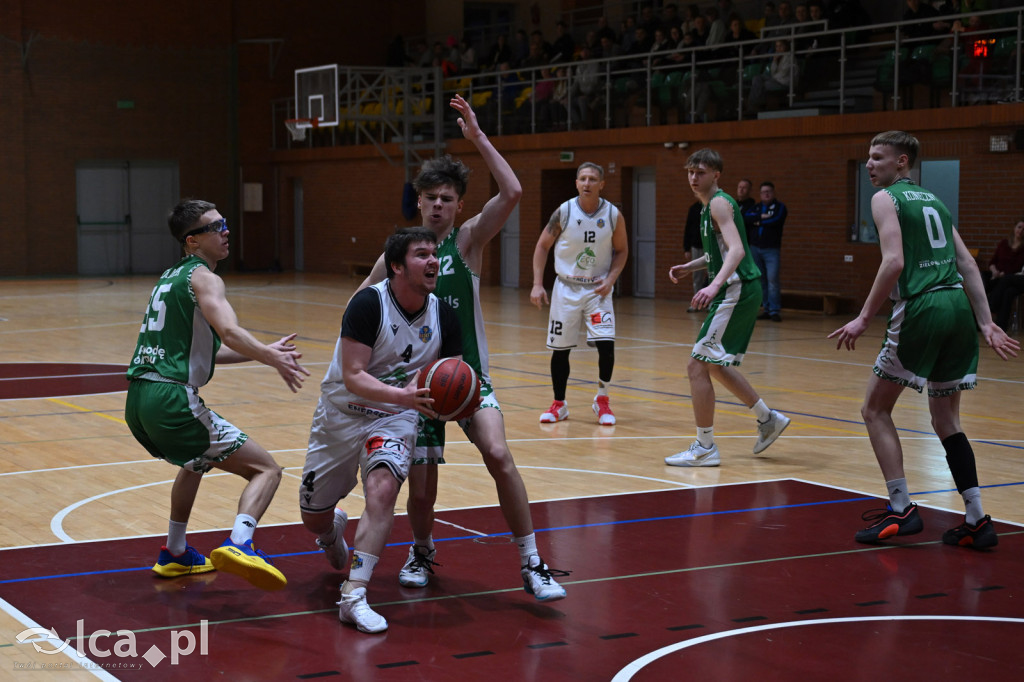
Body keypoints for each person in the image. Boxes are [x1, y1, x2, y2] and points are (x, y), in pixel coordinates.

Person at [358, 95, 568, 602]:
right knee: (423, 488)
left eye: (446, 198)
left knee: (498, 453)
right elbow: (362, 298)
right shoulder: (399, 254)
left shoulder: (468, 241)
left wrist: (477, 137)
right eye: (429, 196)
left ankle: (532, 562)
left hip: (468, 377)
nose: (437, 204)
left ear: (458, 205)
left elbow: (514, 190)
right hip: (419, 388)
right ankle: (422, 550)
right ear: (419, 200)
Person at [829, 130, 1019, 548]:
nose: (869, 165)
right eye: (867, 157)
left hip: (925, 308)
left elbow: (894, 261)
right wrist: (986, 322)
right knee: (946, 420)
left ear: (902, 162)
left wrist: (863, 317)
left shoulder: (885, 199)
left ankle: (901, 509)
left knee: (874, 410)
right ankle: (976, 518)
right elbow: (967, 262)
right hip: (957, 308)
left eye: (878, 157)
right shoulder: (933, 199)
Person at [126, 199, 309, 590]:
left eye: (225, 223)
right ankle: (241, 542)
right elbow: (228, 333)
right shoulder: (205, 278)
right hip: (172, 399)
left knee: (195, 461)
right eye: (216, 227)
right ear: (192, 241)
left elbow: (203, 350)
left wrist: (261, 356)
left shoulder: (170, 276)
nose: (226, 231)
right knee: (267, 470)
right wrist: (270, 356)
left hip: (140, 399)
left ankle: (175, 553)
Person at [300, 227, 462, 634]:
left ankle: (354, 595)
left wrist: (455, 397)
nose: (432, 261)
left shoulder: (445, 315)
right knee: (311, 516)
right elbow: (353, 376)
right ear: (396, 266)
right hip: (341, 412)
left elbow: (453, 376)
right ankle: (330, 530)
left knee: (383, 488)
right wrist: (404, 396)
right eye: (421, 254)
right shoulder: (367, 304)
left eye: (434, 254)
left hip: (393, 416)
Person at [665, 148, 791, 467]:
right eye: (690, 172)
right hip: (739, 288)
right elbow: (717, 254)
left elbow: (736, 251)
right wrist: (689, 268)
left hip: (737, 289)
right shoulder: (708, 208)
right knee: (716, 365)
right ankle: (768, 419)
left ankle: (705, 447)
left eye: (701, 172)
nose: (694, 178)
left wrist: (713, 285)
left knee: (697, 366)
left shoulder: (720, 203)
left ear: (716, 175)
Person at [530, 162, 629, 426]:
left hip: (598, 289)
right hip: (566, 288)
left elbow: (622, 251)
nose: (587, 183)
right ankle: (559, 404)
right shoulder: (564, 211)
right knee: (560, 350)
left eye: (592, 179)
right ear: (576, 183)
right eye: (582, 179)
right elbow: (542, 246)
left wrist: (611, 280)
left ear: (601, 184)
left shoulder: (613, 215)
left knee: (606, 345)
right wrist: (538, 283)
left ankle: (602, 399)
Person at [748, 180, 788, 322]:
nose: (766, 194)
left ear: (773, 193)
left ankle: (774, 310)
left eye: (768, 191)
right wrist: (759, 218)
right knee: (761, 280)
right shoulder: (756, 208)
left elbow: (776, 221)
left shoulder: (780, 207)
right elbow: (746, 218)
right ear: (760, 194)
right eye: (763, 192)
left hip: (771, 250)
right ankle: (765, 308)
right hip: (755, 248)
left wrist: (757, 222)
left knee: (772, 280)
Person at [983, 218, 1024, 295]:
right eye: (1019, 227)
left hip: (1008, 276)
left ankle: (991, 305)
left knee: (1002, 283)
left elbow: (1018, 267)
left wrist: (1002, 274)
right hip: (995, 273)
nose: (1021, 231)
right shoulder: (1004, 243)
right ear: (1014, 227)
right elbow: (993, 261)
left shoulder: (1022, 248)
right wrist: (994, 271)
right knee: (982, 276)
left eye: (1023, 229)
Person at [683, 199, 707, 311]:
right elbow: (688, 228)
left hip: (709, 245)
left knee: (713, 275)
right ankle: (696, 303)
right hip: (696, 245)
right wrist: (686, 248)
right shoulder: (693, 208)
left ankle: (711, 303)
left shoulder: (713, 206)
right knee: (696, 276)